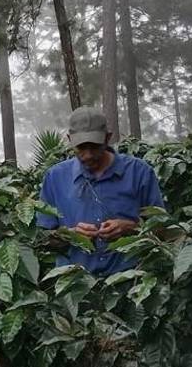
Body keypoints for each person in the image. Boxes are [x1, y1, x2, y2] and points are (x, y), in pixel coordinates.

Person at [37, 107, 165, 276]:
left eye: (95, 147)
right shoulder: (55, 178)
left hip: (130, 283)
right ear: (70, 140)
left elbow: (162, 230)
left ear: (108, 138)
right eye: (81, 147)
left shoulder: (139, 173)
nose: (88, 155)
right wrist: (70, 235)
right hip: (74, 286)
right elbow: (41, 238)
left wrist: (131, 228)